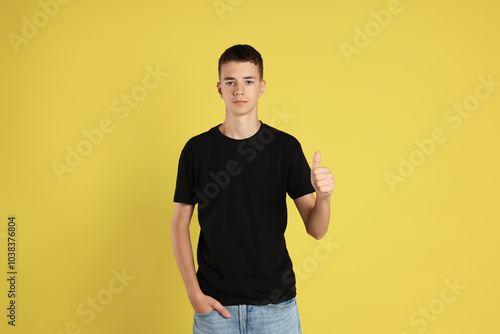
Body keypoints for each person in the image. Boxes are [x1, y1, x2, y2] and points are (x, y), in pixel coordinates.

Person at [171, 44, 334, 334]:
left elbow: (317, 229)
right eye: (230, 82)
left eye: (248, 81)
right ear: (219, 88)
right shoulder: (197, 150)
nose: (239, 90)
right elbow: (179, 224)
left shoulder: (285, 148)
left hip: (276, 308)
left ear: (261, 87)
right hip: (215, 308)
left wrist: (324, 198)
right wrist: (193, 294)